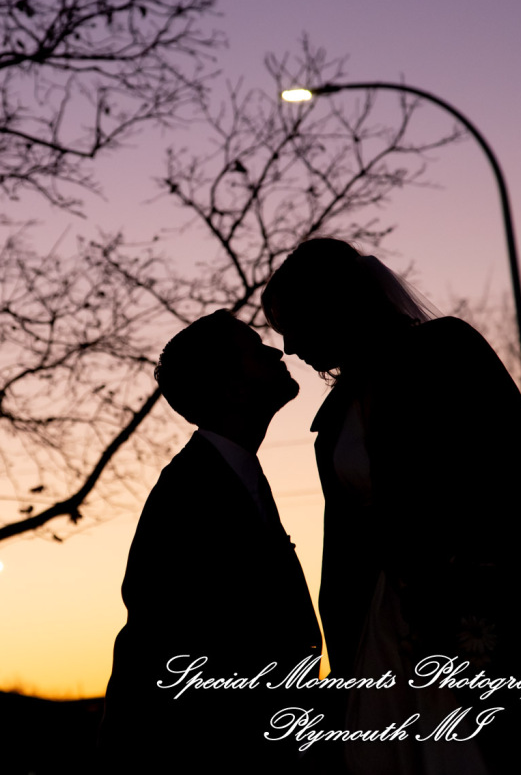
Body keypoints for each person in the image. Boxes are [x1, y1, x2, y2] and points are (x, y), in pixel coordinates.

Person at [262, 237, 521, 773]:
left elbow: (517, 472)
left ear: (331, 307)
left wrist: (465, 573)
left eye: (292, 323)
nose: (289, 346)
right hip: (383, 623)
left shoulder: (447, 351)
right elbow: (344, 543)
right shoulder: (333, 420)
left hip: (482, 604)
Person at [99, 310, 324, 772]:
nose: (276, 350)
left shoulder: (228, 476)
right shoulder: (187, 496)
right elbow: (162, 648)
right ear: (233, 388)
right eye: (255, 349)